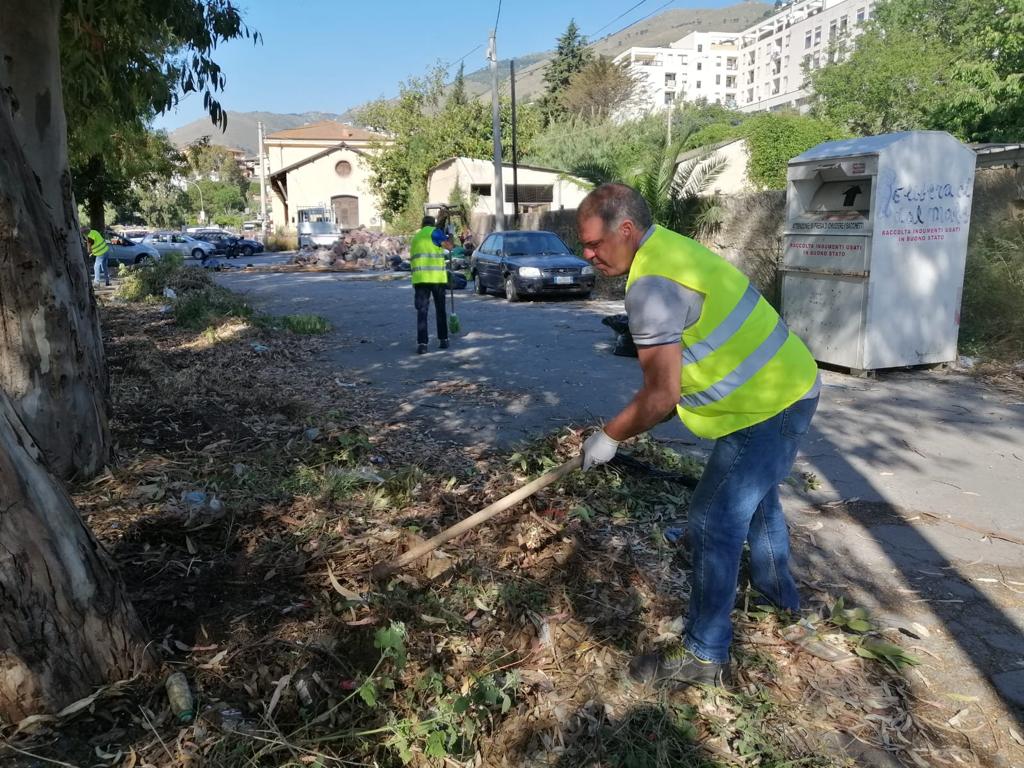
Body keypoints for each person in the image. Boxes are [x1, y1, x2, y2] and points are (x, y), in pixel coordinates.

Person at [576, 183, 820, 690]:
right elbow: (673, 384)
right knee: (758, 500)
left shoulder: (651, 286)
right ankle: (781, 598)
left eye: (594, 243)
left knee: (712, 520)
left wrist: (609, 436)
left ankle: (704, 654)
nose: (588, 255)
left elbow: (661, 395)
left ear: (626, 230)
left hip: (767, 405)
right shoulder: (668, 248)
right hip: (785, 388)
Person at [409, 216, 452, 354]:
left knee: (422, 311)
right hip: (436, 278)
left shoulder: (416, 238)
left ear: (422, 224)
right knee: (440, 309)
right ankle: (443, 339)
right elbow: (449, 247)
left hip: (420, 279)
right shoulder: (435, 232)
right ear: (433, 224)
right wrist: (450, 234)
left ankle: (422, 344)